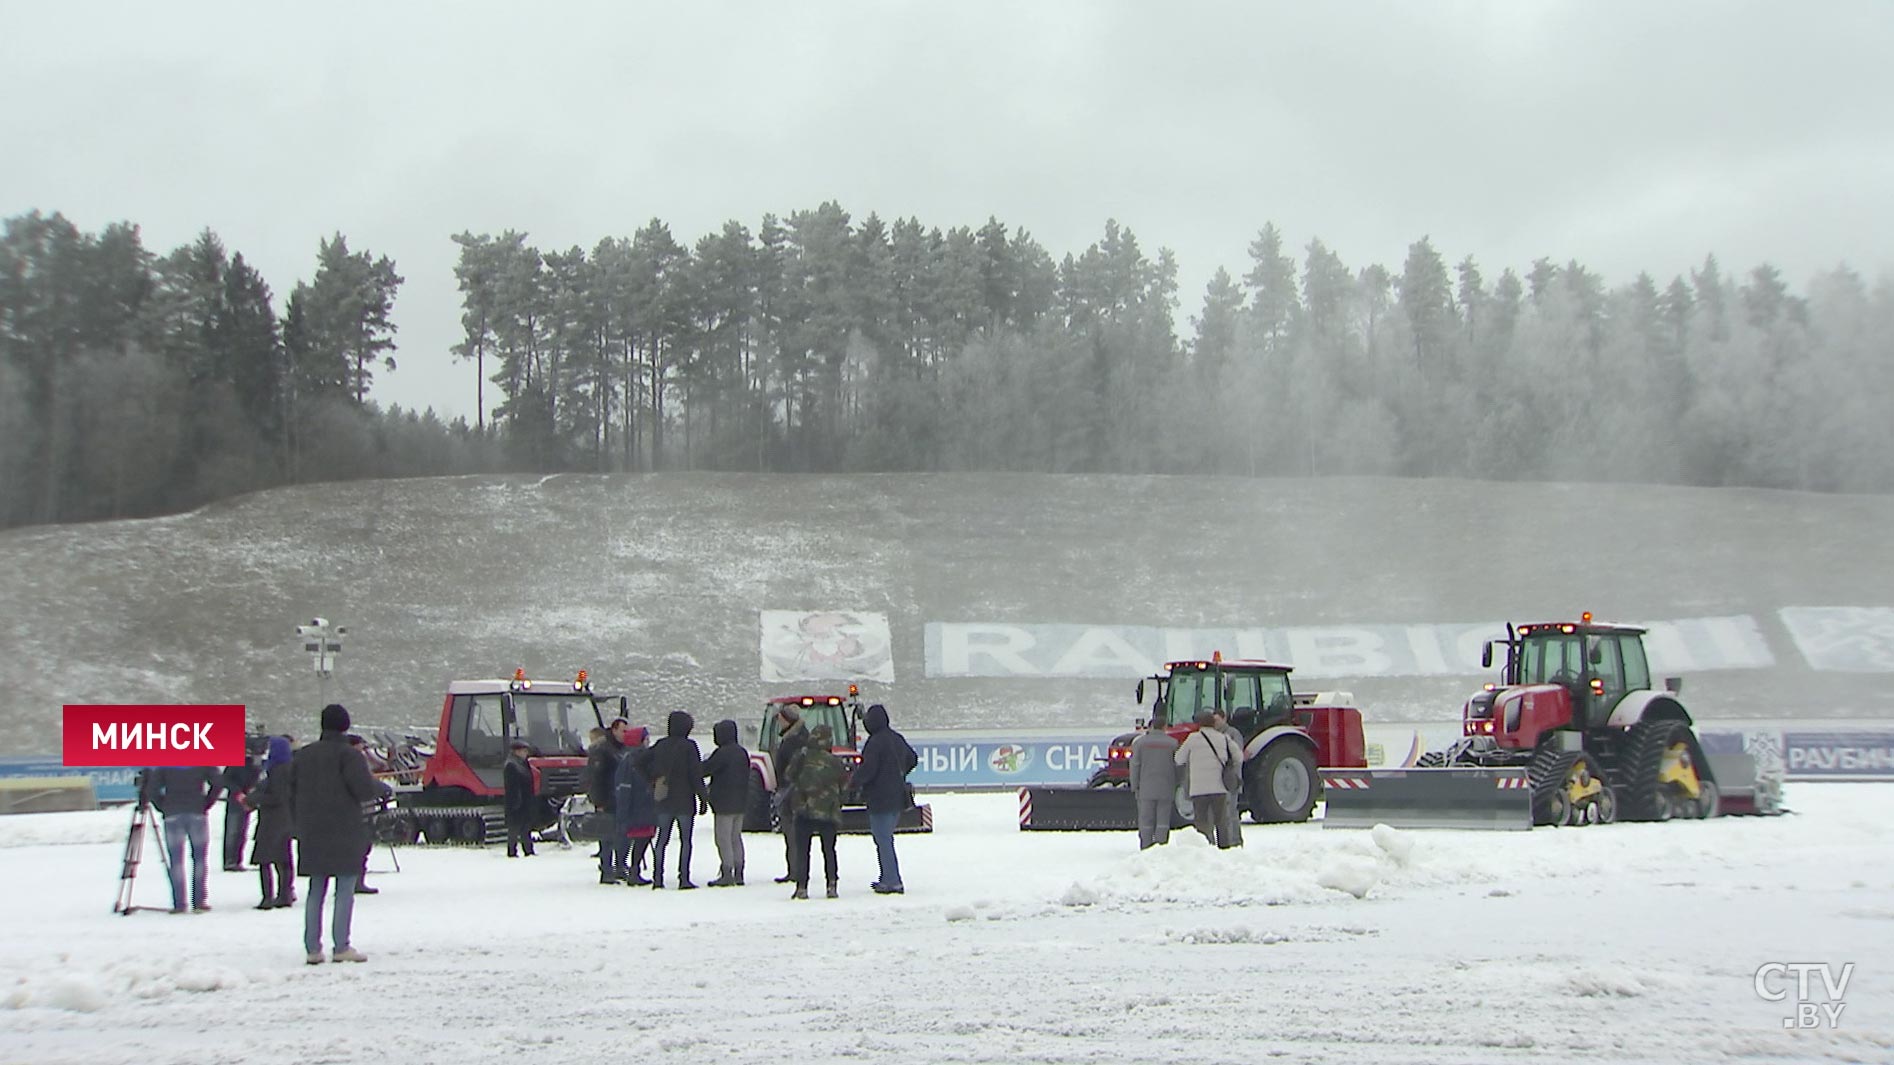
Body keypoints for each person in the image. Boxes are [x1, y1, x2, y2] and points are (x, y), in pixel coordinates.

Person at [288, 704, 383, 964]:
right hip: (344, 828)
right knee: (344, 889)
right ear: (345, 725)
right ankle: (341, 945)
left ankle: (312, 948)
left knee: (315, 889)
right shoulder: (349, 756)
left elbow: (290, 789)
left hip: (311, 829)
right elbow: (363, 790)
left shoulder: (303, 756)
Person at [851, 703, 917, 894]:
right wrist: (899, 774)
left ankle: (892, 880)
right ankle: (886, 877)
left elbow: (868, 770)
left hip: (879, 798)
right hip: (897, 796)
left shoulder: (875, 743)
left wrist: (854, 782)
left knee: (883, 839)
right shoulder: (896, 738)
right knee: (885, 838)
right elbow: (912, 758)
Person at [140, 764, 222, 913]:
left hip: (172, 813)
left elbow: (151, 789)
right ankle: (199, 901)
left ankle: (179, 903)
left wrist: (163, 806)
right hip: (197, 811)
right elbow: (218, 783)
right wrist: (206, 803)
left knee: (176, 861)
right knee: (200, 859)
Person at [645, 711, 706, 890]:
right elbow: (696, 774)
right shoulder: (689, 747)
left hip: (664, 798)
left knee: (661, 840)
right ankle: (684, 878)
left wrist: (653, 779)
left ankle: (658, 878)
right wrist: (702, 797)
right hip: (685, 799)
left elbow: (639, 761)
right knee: (686, 841)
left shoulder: (660, 745)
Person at [787, 723, 846, 900]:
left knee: (803, 850)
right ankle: (831, 885)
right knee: (829, 850)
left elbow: (789, 775)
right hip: (828, 812)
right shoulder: (835, 761)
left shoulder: (802, 756)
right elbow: (844, 784)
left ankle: (802, 887)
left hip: (804, 810)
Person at [1174, 712, 1241, 848]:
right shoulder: (1223, 738)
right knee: (1221, 822)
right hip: (1219, 788)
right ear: (1214, 724)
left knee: (1202, 822)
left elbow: (1178, 759)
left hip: (1198, 789)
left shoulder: (1192, 739)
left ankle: (1205, 848)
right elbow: (1239, 757)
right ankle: (1224, 848)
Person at [244, 736, 296, 909]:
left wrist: (254, 798)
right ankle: (285, 893)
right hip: (284, 817)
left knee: (265, 857)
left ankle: (269, 896)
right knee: (283, 857)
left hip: (272, 819)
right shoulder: (287, 768)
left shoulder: (277, 770)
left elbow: (277, 796)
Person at [701, 719, 750, 887]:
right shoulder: (742, 752)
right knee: (736, 837)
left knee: (723, 839)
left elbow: (705, 770)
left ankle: (727, 871)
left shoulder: (721, 753)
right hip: (740, 802)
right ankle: (739, 872)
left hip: (724, 803)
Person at [770, 705, 811, 884]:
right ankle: (796, 869)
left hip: (791, 793)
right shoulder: (804, 738)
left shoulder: (791, 742)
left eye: (780, 719)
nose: (778, 722)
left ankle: (795, 870)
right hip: (801, 792)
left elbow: (786, 769)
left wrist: (782, 787)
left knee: (792, 833)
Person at [589, 719, 632, 884]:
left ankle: (620, 865)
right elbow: (596, 777)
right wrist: (598, 801)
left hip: (621, 797)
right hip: (607, 797)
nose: (625, 734)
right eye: (623, 731)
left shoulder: (623, 748)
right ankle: (606, 869)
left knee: (623, 834)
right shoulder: (602, 749)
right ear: (614, 730)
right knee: (607, 835)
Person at [613, 733, 659, 885]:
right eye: (646, 739)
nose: (648, 742)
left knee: (641, 839)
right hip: (639, 806)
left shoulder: (630, 758)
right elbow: (624, 787)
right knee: (640, 839)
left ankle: (632, 869)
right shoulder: (631, 760)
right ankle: (632, 870)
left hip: (640, 805)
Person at [1128, 720, 1180, 850]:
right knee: (1163, 819)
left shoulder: (1139, 743)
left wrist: (1134, 785)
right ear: (1164, 727)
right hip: (1166, 787)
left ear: (1150, 727)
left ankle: (1146, 847)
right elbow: (1179, 767)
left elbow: (1135, 765)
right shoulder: (1172, 743)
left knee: (1146, 819)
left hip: (1145, 787)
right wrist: (1178, 783)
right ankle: (1161, 846)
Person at [345, 733, 385, 894]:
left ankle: (357, 881)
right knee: (359, 847)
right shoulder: (353, 761)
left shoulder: (360, 759)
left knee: (363, 847)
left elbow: (380, 766)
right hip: (359, 811)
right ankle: (354, 882)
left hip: (365, 809)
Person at [1211, 709, 1247, 848]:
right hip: (1218, 779)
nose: (1215, 723)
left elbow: (1238, 755)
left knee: (1231, 810)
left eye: (1217, 720)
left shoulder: (1233, 733)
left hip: (1230, 778)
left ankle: (1235, 840)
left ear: (1224, 718)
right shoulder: (1214, 735)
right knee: (1223, 812)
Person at [221, 750, 261, 872]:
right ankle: (230, 860)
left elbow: (257, 780)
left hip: (247, 799)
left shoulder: (255, 765)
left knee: (242, 832)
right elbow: (226, 780)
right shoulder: (234, 763)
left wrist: (253, 793)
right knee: (233, 831)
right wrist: (238, 792)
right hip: (235, 799)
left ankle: (237, 859)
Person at [503, 739, 536, 857]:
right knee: (514, 828)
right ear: (517, 751)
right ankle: (512, 851)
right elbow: (512, 786)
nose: (526, 753)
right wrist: (516, 802)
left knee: (525, 828)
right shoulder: (511, 765)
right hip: (517, 802)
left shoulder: (522, 763)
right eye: (524, 750)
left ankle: (528, 850)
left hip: (525, 801)